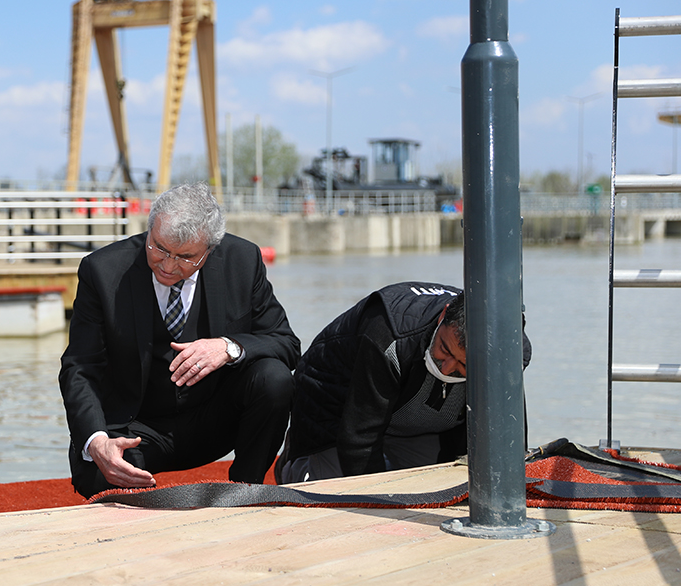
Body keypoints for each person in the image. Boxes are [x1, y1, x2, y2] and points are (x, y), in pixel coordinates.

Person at [60, 183, 300, 498]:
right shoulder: (102, 270)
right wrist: (98, 442)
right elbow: (79, 367)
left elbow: (286, 343)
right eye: (159, 248)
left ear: (210, 249)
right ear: (149, 229)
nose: (168, 265)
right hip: (136, 429)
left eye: (186, 257)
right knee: (97, 474)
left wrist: (228, 348)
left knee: (275, 378)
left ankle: (246, 489)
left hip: (215, 421)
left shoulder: (243, 260)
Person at [276, 281, 532, 483]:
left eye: (465, 366)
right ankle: (293, 466)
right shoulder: (390, 333)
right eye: (445, 349)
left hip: (415, 424)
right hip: (340, 414)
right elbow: (359, 436)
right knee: (342, 495)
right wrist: (379, 501)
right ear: (444, 314)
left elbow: (509, 442)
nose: (448, 366)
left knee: (447, 484)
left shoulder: (509, 356)